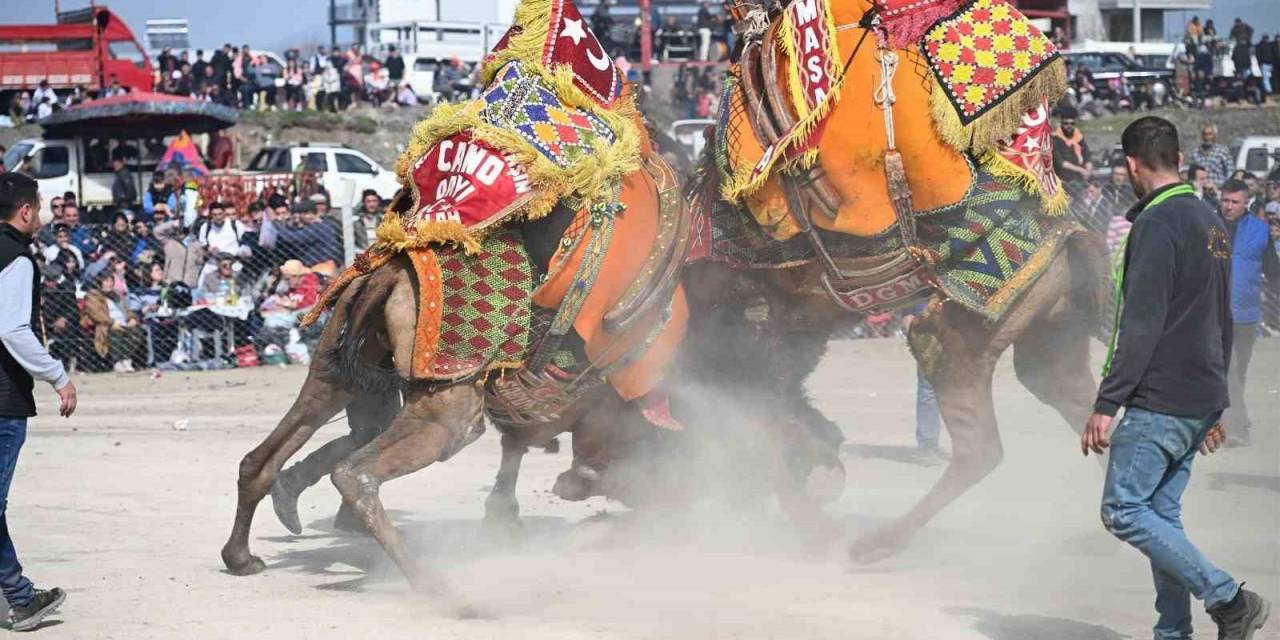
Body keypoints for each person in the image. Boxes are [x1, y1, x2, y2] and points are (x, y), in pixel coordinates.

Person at [1083, 117, 1270, 640]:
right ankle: (1173, 633)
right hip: (1197, 399)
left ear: (1131, 165)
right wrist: (1218, 402)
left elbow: (1140, 323)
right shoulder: (1211, 220)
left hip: (1160, 399)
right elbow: (1224, 316)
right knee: (1160, 516)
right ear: (1179, 158)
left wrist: (1106, 402)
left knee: (1122, 509)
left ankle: (1230, 599)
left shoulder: (1157, 223)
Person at [0, 172, 73, 630]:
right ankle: (21, 599)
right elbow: (11, 329)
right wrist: (58, 376)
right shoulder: (17, 258)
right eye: (40, 209)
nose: (42, 217)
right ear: (25, 211)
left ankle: (20, 595)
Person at [1216, 179, 1280, 446]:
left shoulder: (1260, 231)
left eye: (1235, 202)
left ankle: (1221, 421)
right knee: (1228, 369)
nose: (1229, 206)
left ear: (1246, 203)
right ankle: (1238, 428)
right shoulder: (1209, 227)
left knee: (1238, 370)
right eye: (1225, 200)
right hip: (1215, 312)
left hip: (1247, 313)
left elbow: (1274, 272)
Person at [1051, 109, 1093, 186]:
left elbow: (1087, 154)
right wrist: (1080, 170)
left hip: (1080, 178)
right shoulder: (1055, 139)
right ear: (1061, 123)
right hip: (1063, 179)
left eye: (1072, 123)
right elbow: (1060, 162)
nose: (1069, 126)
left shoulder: (1078, 137)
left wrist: (1088, 169)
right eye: (1066, 123)